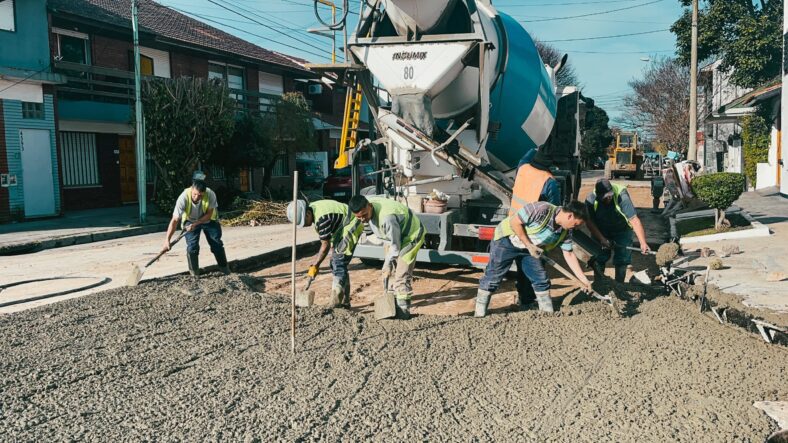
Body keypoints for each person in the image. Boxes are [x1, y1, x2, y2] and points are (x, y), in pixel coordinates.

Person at [474, 201, 591, 317]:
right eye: (575, 224)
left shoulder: (565, 231)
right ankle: (479, 315)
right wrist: (528, 245)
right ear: (570, 215)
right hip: (507, 241)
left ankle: (546, 314)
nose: (575, 228)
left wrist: (583, 280)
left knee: (541, 280)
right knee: (493, 277)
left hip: (530, 249)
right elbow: (515, 222)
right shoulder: (541, 209)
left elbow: (569, 254)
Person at [348, 195, 425, 319]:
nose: (362, 219)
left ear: (370, 206)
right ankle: (391, 303)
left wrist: (386, 263)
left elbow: (395, 247)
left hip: (411, 235)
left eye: (364, 215)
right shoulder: (368, 205)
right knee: (389, 271)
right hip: (394, 236)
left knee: (401, 275)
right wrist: (388, 264)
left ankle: (403, 312)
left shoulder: (386, 218)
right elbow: (389, 241)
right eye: (358, 217)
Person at [286, 199, 364, 308]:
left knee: (338, 261)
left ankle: (336, 302)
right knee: (335, 263)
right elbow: (327, 239)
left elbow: (325, 245)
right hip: (341, 227)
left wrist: (316, 264)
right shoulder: (314, 209)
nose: (304, 225)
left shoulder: (321, 219)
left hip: (352, 222)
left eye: (304, 222)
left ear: (308, 213)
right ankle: (345, 302)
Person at [509, 149, 562, 308]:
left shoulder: (523, 168)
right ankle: (531, 301)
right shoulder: (549, 182)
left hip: (515, 224)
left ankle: (523, 298)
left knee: (521, 265)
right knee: (536, 268)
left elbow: (526, 156)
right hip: (534, 232)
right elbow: (555, 210)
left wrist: (535, 149)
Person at [585, 179, 651, 283]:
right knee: (599, 257)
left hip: (622, 230)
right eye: (606, 197)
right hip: (601, 230)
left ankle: (619, 285)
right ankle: (599, 284)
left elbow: (634, 220)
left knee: (622, 259)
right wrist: (602, 239)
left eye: (610, 195)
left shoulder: (622, 196)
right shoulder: (591, 200)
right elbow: (589, 223)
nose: (609, 198)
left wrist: (643, 243)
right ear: (598, 195)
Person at [163, 171, 229, 276]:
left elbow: (209, 214)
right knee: (192, 246)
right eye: (195, 194)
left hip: (208, 220)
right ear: (192, 189)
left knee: (216, 243)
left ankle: (225, 270)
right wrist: (167, 240)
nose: (196, 198)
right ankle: (194, 274)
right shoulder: (183, 197)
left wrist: (197, 223)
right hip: (190, 220)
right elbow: (174, 220)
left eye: (200, 196)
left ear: (204, 193)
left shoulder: (210, 194)